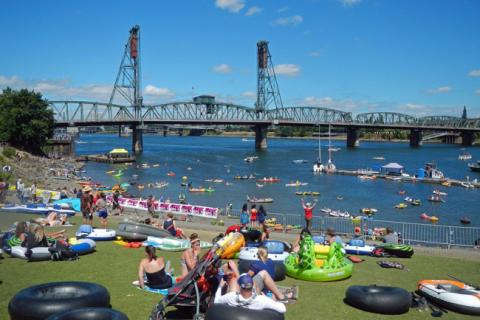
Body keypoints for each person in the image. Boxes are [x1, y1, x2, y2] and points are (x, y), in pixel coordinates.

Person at [214, 273, 286, 313]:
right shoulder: (262, 300)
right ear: (252, 286)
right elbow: (283, 309)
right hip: (256, 308)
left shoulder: (231, 297)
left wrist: (220, 287)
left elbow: (216, 301)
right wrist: (271, 300)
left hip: (235, 310)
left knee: (233, 279)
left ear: (239, 287)